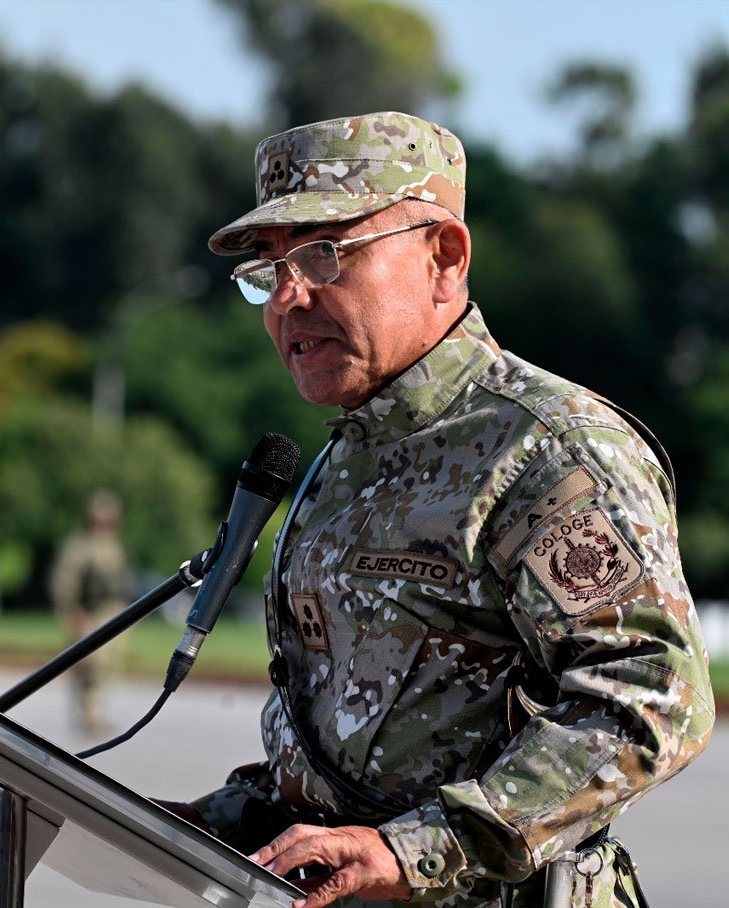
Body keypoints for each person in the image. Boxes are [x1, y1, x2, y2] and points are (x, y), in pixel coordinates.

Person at [160, 112, 714, 908]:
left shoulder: (544, 451)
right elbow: (351, 744)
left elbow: (653, 698)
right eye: (268, 270)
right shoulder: (347, 456)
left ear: (444, 257)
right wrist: (219, 824)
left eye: (324, 253)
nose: (288, 298)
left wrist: (420, 849)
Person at [49, 489, 133, 734]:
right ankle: (88, 714)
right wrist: (72, 612)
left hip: (113, 610)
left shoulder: (115, 546)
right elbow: (65, 582)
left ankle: (96, 712)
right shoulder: (79, 546)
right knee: (90, 665)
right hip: (90, 612)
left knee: (107, 666)